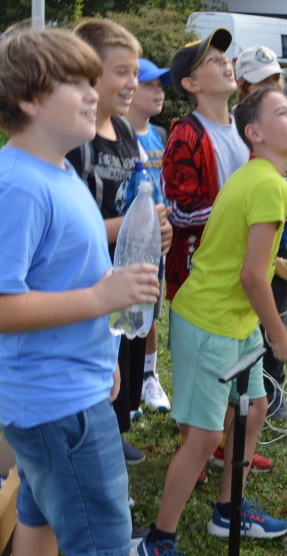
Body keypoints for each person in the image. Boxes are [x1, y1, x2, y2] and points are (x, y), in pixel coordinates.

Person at [0, 26, 160, 556]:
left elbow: (63, 277)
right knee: (99, 542)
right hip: (55, 402)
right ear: (29, 100)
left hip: (67, 385)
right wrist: (102, 299)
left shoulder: (57, 169)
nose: (92, 92)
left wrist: (99, 355)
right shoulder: (18, 186)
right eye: (75, 83)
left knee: (41, 512)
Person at [130, 87, 287, 556]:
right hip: (210, 322)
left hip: (234, 322)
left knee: (254, 408)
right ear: (254, 133)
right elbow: (251, 278)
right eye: (282, 112)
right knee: (205, 434)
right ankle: (156, 543)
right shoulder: (268, 186)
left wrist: (279, 265)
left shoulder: (264, 179)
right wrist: (279, 334)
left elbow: (243, 254)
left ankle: (229, 510)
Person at [160, 30, 275, 477]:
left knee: (236, 367)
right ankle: (193, 444)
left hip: (240, 273)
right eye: (212, 60)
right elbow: (180, 211)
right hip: (198, 276)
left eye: (226, 56)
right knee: (200, 371)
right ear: (191, 84)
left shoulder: (246, 131)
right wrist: (240, 212)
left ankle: (225, 445)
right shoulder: (185, 135)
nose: (226, 62)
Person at [65, 18, 172, 466]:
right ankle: (94, 440)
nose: (132, 82)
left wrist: (157, 227)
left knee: (123, 351)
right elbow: (75, 225)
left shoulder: (127, 132)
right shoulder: (77, 141)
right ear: (88, 73)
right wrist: (129, 227)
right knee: (95, 356)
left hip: (126, 271)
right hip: (90, 274)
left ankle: (115, 427)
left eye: (136, 72)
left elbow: (139, 195)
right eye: (122, 72)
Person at [234, 45, 287, 421]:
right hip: (243, 238)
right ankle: (239, 394)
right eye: (261, 82)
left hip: (281, 238)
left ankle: (272, 392)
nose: (272, 87)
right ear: (242, 86)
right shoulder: (234, 128)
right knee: (245, 313)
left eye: (276, 80)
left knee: (276, 314)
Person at [125, 57, 173, 416]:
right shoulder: (118, 136)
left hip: (158, 240)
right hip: (128, 240)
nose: (158, 92)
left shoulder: (160, 135)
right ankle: (126, 384)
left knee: (149, 311)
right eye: (149, 85)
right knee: (125, 313)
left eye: (160, 86)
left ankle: (147, 377)